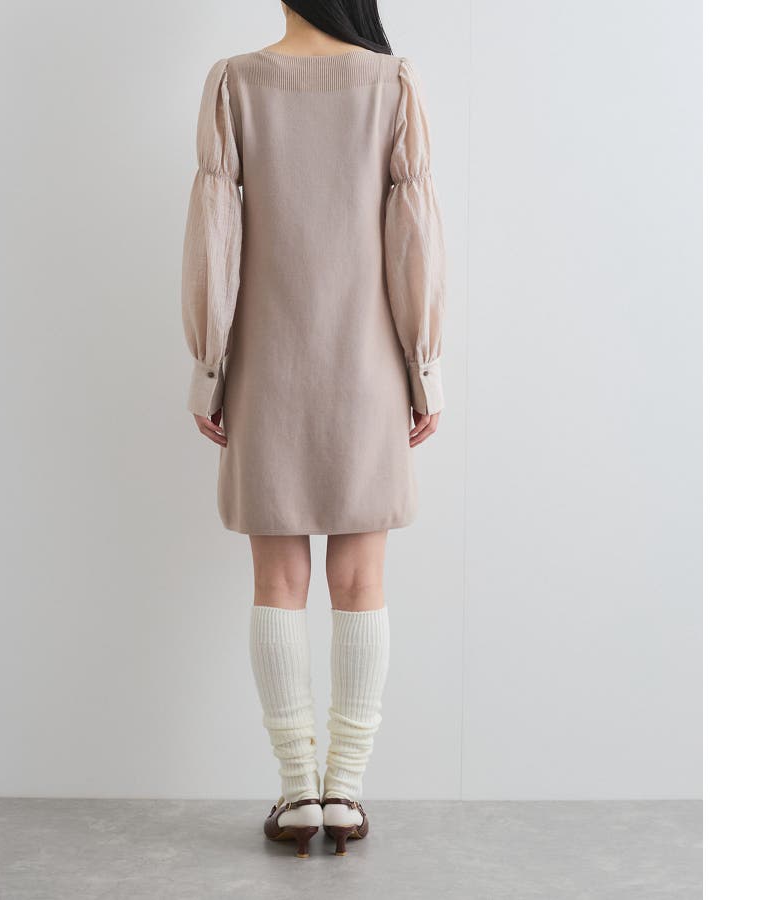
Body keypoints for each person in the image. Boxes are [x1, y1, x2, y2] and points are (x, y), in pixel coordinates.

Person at [180, 0, 445, 858]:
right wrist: (425, 367)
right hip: (369, 367)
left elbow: (216, 236)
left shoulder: (235, 83)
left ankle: (298, 793)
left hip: (268, 364)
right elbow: (413, 238)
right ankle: (345, 792)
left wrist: (210, 366)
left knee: (278, 579)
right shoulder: (393, 83)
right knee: (362, 579)